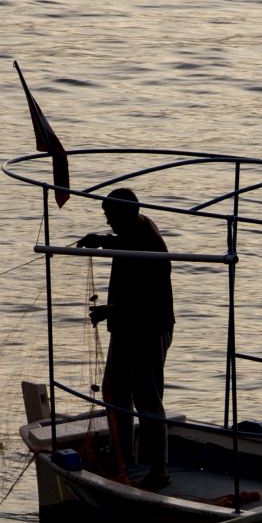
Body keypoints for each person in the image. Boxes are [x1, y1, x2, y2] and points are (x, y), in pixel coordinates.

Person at [79, 188, 175, 490]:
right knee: (116, 392)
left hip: (148, 328)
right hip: (124, 328)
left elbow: (149, 297)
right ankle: (121, 456)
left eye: (111, 218)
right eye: (106, 218)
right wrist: (101, 240)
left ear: (129, 214)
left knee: (147, 400)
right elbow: (123, 241)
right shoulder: (135, 228)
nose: (109, 223)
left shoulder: (151, 245)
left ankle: (159, 471)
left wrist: (110, 309)